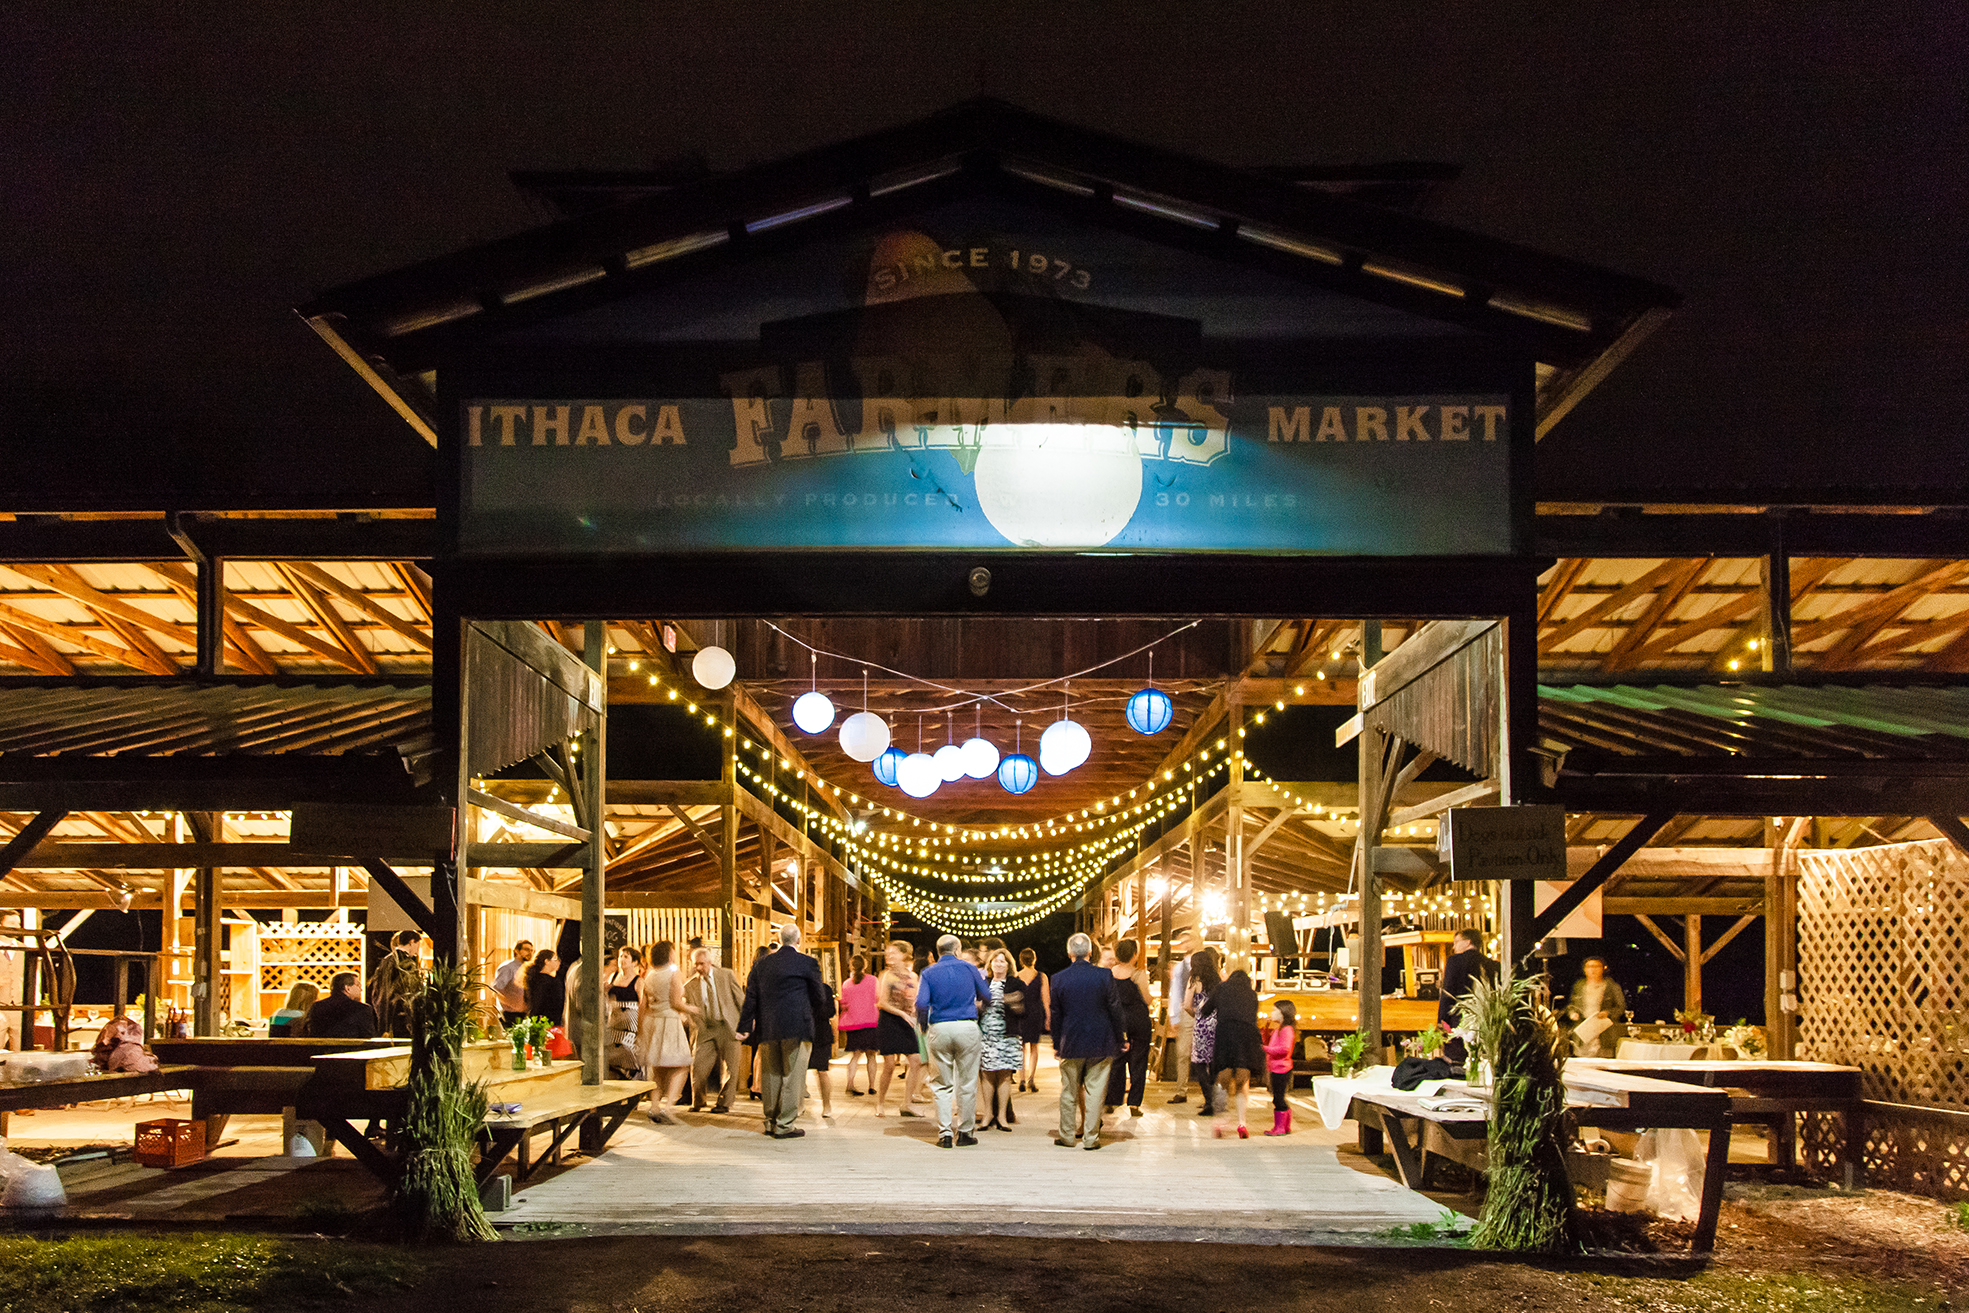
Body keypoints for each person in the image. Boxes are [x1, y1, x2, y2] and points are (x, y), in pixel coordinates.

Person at [738, 924, 831, 1139]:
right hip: (798, 1026)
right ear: (798, 941)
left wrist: (744, 1027)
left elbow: (751, 997)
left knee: (770, 1075)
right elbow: (819, 997)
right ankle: (785, 1125)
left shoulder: (762, 965)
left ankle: (770, 1121)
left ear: (779, 940)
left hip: (768, 1027)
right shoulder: (808, 963)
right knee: (793, 1076)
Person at [1050, 932, 1125, 1151]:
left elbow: (1056, 1014)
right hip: (1100, 1040)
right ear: (1091, 952)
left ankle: (1067, 1135)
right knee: (1095, 1092)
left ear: (1069, 953)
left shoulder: (1059, 978)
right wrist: (1120, 1037)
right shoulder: (1104, 976)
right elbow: (1115, 1008)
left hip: (1071, 1040)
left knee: (1069, 1091)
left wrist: (1057, 1043)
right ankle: (1091, 1138)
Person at [916, 933, 991, 1149]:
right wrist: (980, 1012)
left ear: (938, 951)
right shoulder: (969, 969)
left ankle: (945, 1134)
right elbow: (987, 995)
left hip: (940, 1027)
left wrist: (924, 1025)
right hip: (967, 1026)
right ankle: (966, 1132)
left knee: (941, 1083)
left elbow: (921, 1003)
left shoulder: (928, 972)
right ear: (957, 950)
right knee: (967, 1082)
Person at [1202, 954, 1265, 1139]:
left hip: (1226, 1034)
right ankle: (1242, 1123)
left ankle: (1219, 1120)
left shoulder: (1222, 988)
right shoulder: (1252, 994)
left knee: (1223, 1078)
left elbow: (1206, 1011)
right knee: (1242, 1080)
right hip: (1247, 1036)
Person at [636, 941, 695, 1122]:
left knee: (658, 1070)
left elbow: (643, 1005)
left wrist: (640, 1029)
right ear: (670, 954)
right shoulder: (673, 973)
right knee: (682, 1066)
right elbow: (676, 1002)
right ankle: (668, 1107)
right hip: (669, 1022)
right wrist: (694, 1009)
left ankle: (654, 1107)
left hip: (652, 1022)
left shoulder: (650, 974)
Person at [685, 946, 746, 1112]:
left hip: (727, 1026)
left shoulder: (726, 975)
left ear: (710, 962)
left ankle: (724, 1103)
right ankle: (698, 1101)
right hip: (705, 1028)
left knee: (732, 1068)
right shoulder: (690, 985)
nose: (699, 968)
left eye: (702, 964)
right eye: (696, 964)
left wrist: (746, 1023)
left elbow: (740, 1000)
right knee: (698, 1066)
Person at [873, 940, 924, 1119]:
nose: (889, 956)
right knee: (889, 1065)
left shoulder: (914, 977)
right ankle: (880, 1103)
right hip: (889, 1020)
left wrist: (916, 1016)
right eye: (888, 953)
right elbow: (882, 1002)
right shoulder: (887, 975)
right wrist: (902, 1014)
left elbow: (916, 1001)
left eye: (893, 952)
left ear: (904, 955)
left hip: (907, 1021)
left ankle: (907, 1103)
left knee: (916, 1061)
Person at [1104, 938, 1154, 1117]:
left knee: (1116, 1061)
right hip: (1138, 1020)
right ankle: (1134, 1104)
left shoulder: (1109, 974)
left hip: (1117, 1021)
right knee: (1138, 1061)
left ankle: (1111, 1100)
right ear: (1134, 955)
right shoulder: (1139, 974)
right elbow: (1147, 999)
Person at [978, 948, 1024, 1131]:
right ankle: (988, 1113)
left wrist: (1010, 1000)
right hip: (987, 1033)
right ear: (990, 964)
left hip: (1008, 1034)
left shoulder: (1015, 983)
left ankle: (1003, 1116)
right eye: (995, 961)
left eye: (1002, 961)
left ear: (1008, 964)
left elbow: (1023, 1006)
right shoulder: (984, 982)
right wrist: (980, 1005)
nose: (998, 964)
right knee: (987, 1073)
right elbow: (976, 1003)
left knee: (1005, 1074)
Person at [1439, 928, 1500, 1061]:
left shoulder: (1454, 961)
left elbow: (1448, 993)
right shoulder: (1492, 965)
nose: (1454, 947)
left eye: (1456, 942)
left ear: (1468, 942)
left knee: (1458, 1061)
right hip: (1485, 1022)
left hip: (1459, 1020)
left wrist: (1441, 1021)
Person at [1566, 956, 1629, 1058]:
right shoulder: (1579, 986)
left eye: (1596, 966)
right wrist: (1572, 1013)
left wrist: (1608, 1013)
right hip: (1584, 1033)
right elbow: (1571, 1005)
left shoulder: (1611, 986)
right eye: (1589, 966)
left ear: (1603, 968)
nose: (1593, 969)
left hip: (1603, 1035)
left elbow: (1620, 1007)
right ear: (1585, 969)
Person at [1185, 949, 1223, 1114]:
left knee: (1199, 1064)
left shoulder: (1194, 981)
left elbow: (1187, 1005)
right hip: (1217, 1024)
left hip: (1202, 1026)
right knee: (1214, 1064)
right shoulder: (1217, 980)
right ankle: (1217, 1100)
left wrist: (1198, 1015)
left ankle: (1209, 1101)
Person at [837, 953, 881, 1095]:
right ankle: (872, 1086)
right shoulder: (873, 980)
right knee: (871, 1056)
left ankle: (850, 1084)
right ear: (865, 965)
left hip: (853, 1023)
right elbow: (879, 998)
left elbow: (843, 1004)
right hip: (871, 1022)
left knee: (855, 1056)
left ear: (851, 966)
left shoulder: (847, 984)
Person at [368, 929, 423, 1037]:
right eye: (417, 945)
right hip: (403, 1016)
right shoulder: (406, 963)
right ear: (412, 942)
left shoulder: (386, 960)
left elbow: (377, 990)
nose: (417, 950)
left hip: (385, 1013)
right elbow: (411, 991)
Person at [1164, 930, 1195, 1103]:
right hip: (1184, 1010)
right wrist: (1174, 1016)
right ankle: (1181, 1090)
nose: (1185, 944)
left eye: (1187, 940)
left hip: (1202, 1010)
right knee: (1182, 1053)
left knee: (1203, 1053)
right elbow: (1174, 992)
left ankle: (1209, 1092)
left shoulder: (1203, 962)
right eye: (1182, 941)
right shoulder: (1179, 967)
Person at [603, 946, 644, 1077]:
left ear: (634, 962)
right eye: (621, 956)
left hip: (630, 1027)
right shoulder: (612, 977)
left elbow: (642, 1003)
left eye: (626, 957)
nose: (622, 959)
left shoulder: (638, 981)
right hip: (614, 1024)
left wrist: (640, 1028)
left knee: (630, 1057)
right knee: (612, 1059)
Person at [300, 972, 379, 1038]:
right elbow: (367, 1036)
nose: (361, 989)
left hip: (321, 1053)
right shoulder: (362, 1009)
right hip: (352, 1052)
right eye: (358, 986)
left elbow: (313, 1033)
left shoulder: (317, 1006)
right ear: (347, 988)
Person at [1015, 947, 1050, 1093]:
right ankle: (1031, 1079)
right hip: (1035, 1013)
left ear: (1021, 960)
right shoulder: (1041, 976)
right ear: (1034, 959)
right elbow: (1046, 999)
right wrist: (1048, 1016)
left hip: (1021, 1014)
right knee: (1034, 1047)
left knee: (1021, 1047)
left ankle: (1021, 1079)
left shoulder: (1016, 976)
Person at [1261, 998, 1298, 1136]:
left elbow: (1284, 1049)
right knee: (1279, 1096)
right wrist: (1266, 1027)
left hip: (1281, 1068)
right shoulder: (1278, 1029)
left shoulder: (1287, 1030)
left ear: (1283, 1013)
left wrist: (1265, 1049)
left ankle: (1280, 1127)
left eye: (1274, 1010)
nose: (1271, 1012)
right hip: (1276, 1067)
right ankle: (1285, 1126)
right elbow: (1268, 1042)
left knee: (1278, 1098)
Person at [809, 976, 838, 1121]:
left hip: (820, 1034)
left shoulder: (825, 989)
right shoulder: (801, 988)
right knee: (801, 1071)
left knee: (822, 1071)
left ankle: (827, 1105)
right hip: (806, 1033)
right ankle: (799, 1105)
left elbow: (831, 1011)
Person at [490, 939, 533, 1031]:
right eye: (526, 949)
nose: (529, 952)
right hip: (510, 1013)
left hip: (525, 1014)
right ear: (516, 951)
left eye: (531, 950)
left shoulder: (528, 969)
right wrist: (511, 1003)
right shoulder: (508, 967)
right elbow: (496, 990)